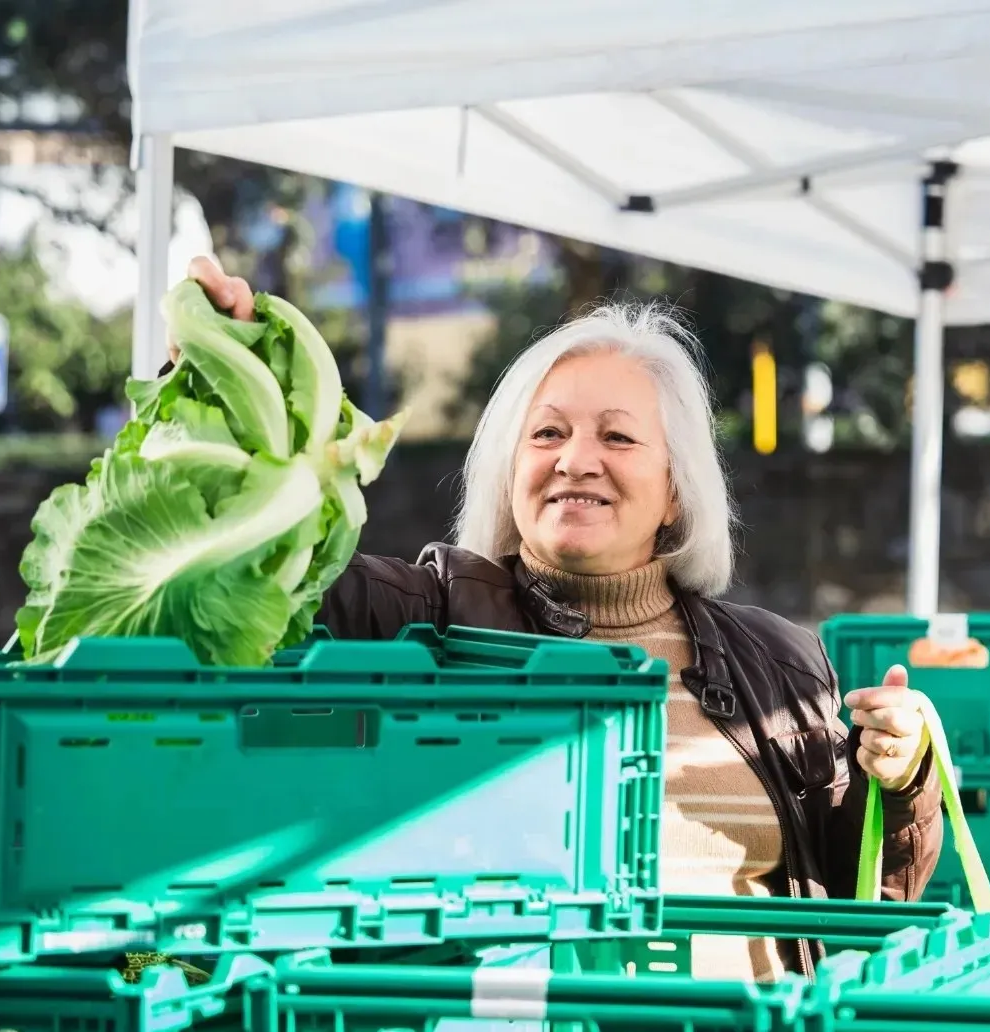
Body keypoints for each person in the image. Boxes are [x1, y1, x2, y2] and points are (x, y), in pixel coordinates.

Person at [172, 256, 942, 982]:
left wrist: (904, 780)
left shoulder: (781, 663)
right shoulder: (419, 617)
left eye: (616, 435)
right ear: (511, 475)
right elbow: (263, 571)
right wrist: (223, 387)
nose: (576, 459)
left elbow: (858, 902)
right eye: (547, 433)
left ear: (676, 490)